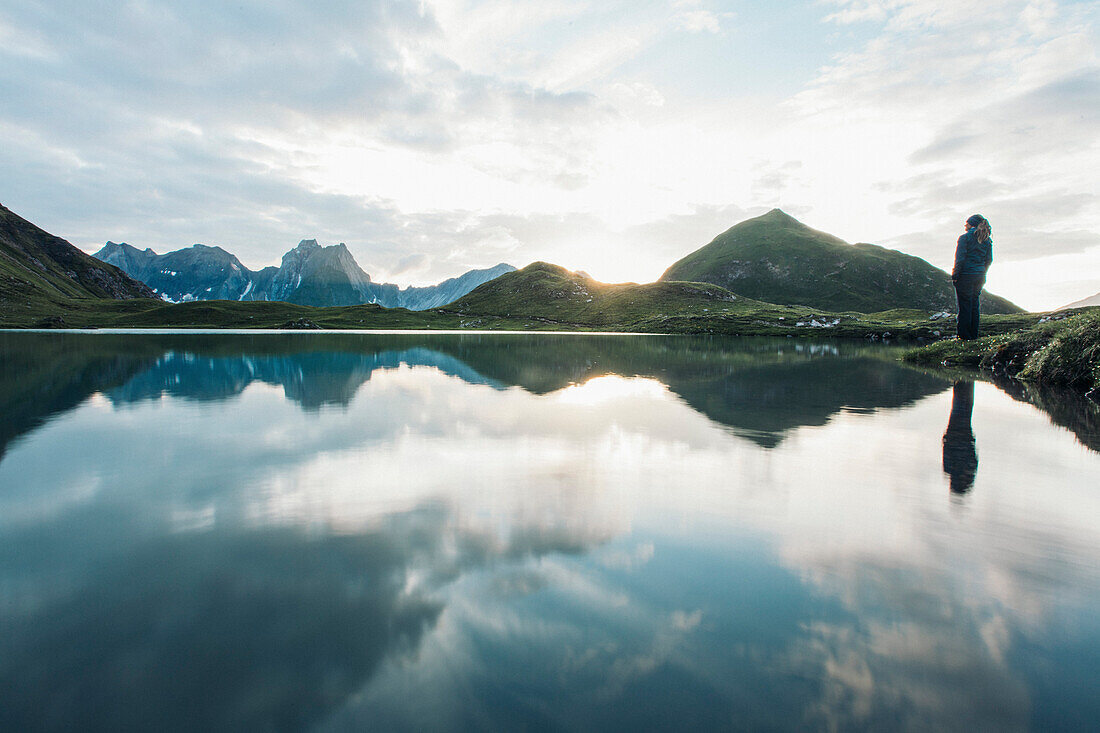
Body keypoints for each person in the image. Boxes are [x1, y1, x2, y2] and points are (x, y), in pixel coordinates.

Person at [952, 214, 993, 340]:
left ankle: (963, 337)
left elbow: (960, 259)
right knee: (974, 305)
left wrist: (955, 275)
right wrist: (982, 271)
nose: (965, 225)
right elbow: (989, 260)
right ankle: (973, 335)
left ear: (972, 224)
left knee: (964, 306)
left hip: (965, 276)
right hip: (979, 276)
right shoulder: (987, 240)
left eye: (967, 223)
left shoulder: (964, 238)